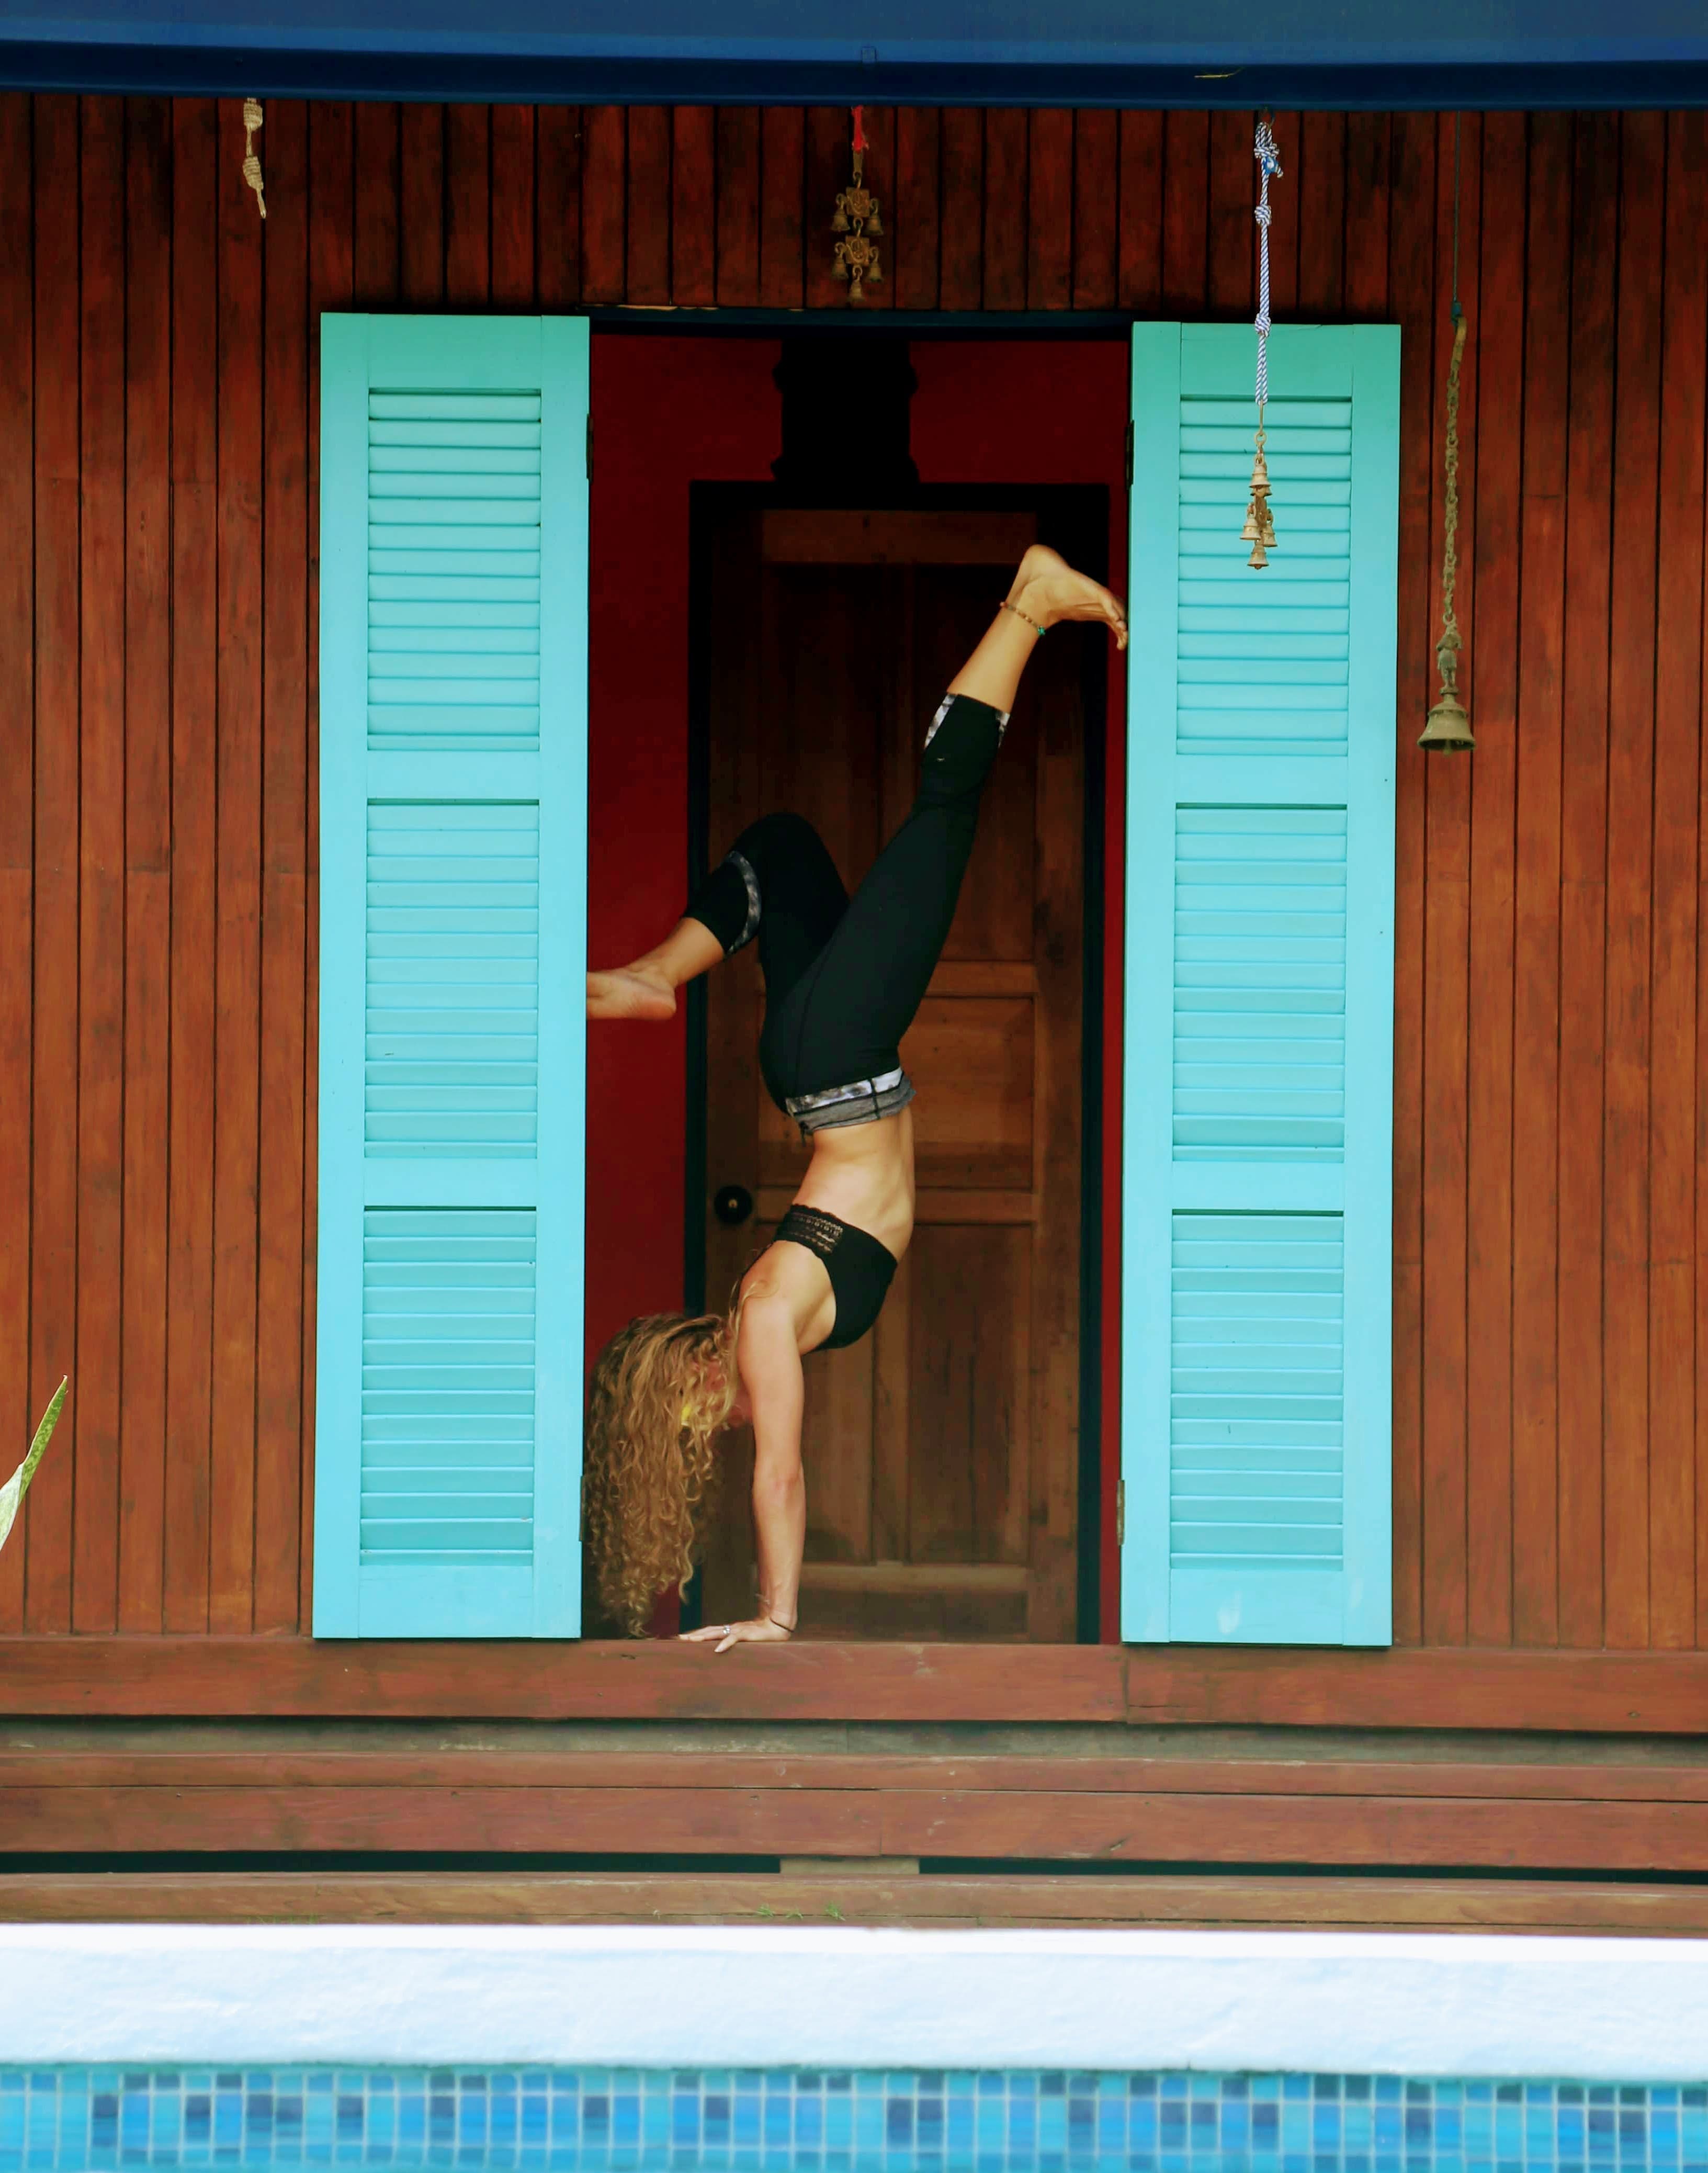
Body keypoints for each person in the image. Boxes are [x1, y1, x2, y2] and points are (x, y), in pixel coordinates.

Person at [583, 545, 1127, 1650]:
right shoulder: (759, 1304)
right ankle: (656, 975)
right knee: (782, 849)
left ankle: (1025, 603)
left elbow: (781, 1472)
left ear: (689, 1385)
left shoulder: (766, 1324)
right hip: (816, 1059)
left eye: (697, 1427)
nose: (719, 1430)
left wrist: (777, 1615)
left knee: (945, 813)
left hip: (836, 1057)